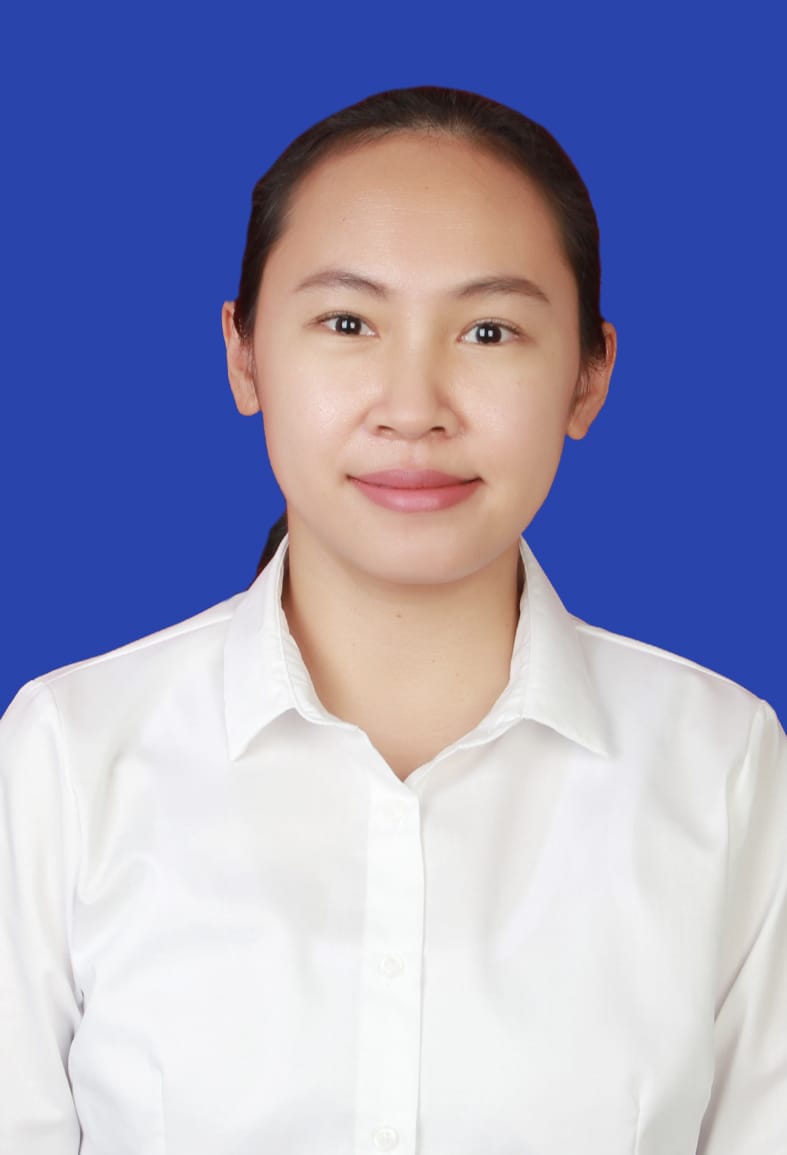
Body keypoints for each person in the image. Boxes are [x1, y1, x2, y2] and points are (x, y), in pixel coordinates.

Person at [1, 85, 785, 1155]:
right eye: (347, 323)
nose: (413, 407)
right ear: (242, 355)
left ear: (588, 375)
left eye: (489, 330)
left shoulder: (721, 763)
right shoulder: (65, 754)